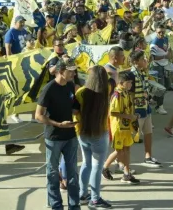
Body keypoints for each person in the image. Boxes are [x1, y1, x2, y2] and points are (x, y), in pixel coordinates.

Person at [35, 58, 80, 210]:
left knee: (73, 173)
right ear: (61, 72)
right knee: (52, 174)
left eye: (74, 70)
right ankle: (56, 205)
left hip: (71, 136)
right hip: (54, 137)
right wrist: (58, 124)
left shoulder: (71, 86)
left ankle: (74, 206)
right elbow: (38, 115)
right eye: (70, 71)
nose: (74, 73)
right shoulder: (49, 89)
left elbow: (73, 107)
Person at [73, 66, 112, 208]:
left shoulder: (81, 92)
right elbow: (115, 77)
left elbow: (75, 111)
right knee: (97, 166)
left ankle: (83, 194)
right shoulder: (106, 90)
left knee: (86, 163)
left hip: (82, 132)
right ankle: (95, 199)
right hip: (99, 132)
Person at [106, 71, 140, 184]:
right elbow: (113, 113)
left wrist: (134, 116)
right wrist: (129, 116)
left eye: (131, 82)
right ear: (121, 82)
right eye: (129, 82)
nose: (131, 84)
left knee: (127, 149)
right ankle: (105, 167)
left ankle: (126, 173)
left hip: (126, 126)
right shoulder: (117, 95)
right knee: (119, 151)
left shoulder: (126, 93)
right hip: (118, 127)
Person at [150, 25, 171, 115]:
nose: (161, 34)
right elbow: (152, 57)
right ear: (156, 32)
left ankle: (153, 99)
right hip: (157, 67)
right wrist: (164, 56)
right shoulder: (154, 43)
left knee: (167, 85)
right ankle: (159, 106)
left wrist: (171, 55)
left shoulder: (166, 38)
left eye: (163, 32)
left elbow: (168, 49)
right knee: (161, 87)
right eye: (159, 32)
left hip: (165, 66)